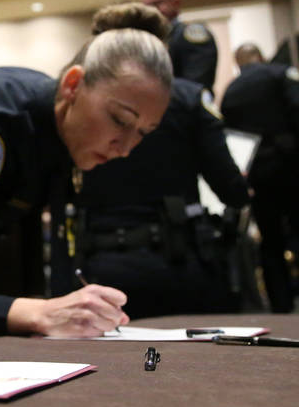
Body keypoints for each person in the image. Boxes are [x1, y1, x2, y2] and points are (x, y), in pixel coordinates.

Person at [0, 3, 172, 339]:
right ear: (72, 85)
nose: (126, 147)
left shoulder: (64, 141)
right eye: (120, 120)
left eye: (143, 132)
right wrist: (36, 312)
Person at [74, 72, 251, 320]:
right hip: (180, 264)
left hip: (98, 268)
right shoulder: (187, 97)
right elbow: (232, 191)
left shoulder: (82, 97)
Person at [220, 43, 299, 313]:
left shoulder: (232, 90)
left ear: (239, 63)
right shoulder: (281, 73)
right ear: (261, 56)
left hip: (259, 173)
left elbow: (230, 137)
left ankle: (281, 303)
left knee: (270, 240)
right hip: (293, 165)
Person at [142, 0, 218, 92]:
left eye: (157, 4)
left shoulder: (190, 34)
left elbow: (194, 86)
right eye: (147, 6)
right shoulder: (150, 39)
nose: (152, 11)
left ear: (175, 2)